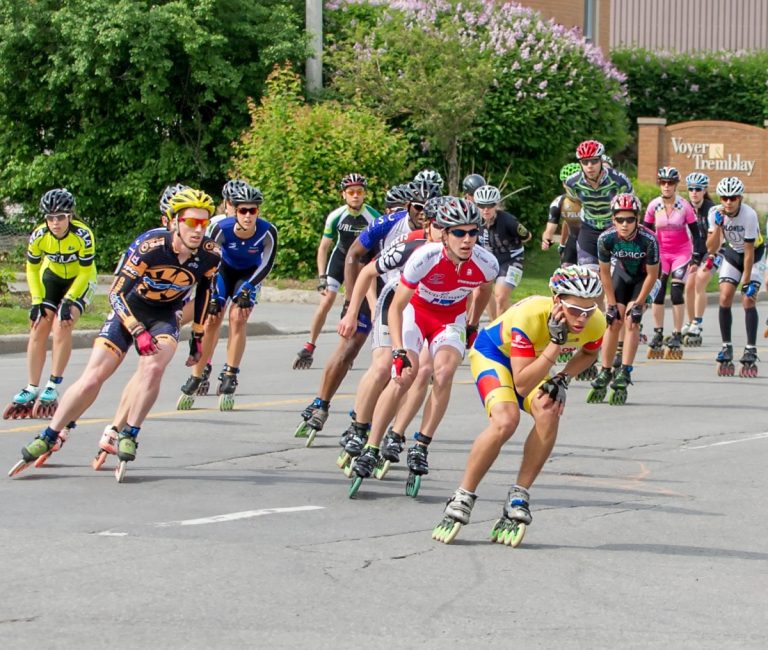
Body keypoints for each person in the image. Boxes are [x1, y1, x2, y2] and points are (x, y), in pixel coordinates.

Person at [9, 188, 221, 480]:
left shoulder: (210, 254)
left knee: (154, 368)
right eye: (190, 222)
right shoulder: (150, 246)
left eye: (204, 223)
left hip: (164, 316)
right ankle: (50, 433)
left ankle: (130, 432)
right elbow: (115, 293)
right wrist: (135, 329)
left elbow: (206, 293)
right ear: (173, 222)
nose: (198, 229)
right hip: (128, 310)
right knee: (93, 378)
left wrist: (197, 337)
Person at [432, 266, 606, 546]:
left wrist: (563, 378)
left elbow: (589, 352)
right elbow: (522, 384)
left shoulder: (596, 322)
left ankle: (519, 494)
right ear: (557, 299)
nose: (582, 319)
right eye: (575, 310)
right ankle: (463, 494)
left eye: (589, 310)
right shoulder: (530, 315)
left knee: (549, 409)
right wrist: (555, 345)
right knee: (506, 421)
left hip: (533, 362)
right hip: (494, 355)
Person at [346, 197, 498, 498]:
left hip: (449, 319)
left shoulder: (486, 262)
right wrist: (400, 350)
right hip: (415, 313)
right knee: (404, 375)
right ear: (444, 234)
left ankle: (421, 445)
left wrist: (471, 323)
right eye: (458, 233)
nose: (467, 240)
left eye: (472, 232)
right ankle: (373, 444)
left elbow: (484, 291)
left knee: (442, 374)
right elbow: (397, 306)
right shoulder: (424, 257)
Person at [294, 179, 441, 441]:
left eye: (428, 208)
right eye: (418, 207)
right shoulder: (387, 223)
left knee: (392, 364)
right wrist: (352, 304)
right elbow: (354, 257)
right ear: (408, 207)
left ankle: (363, 416)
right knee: (349, 347)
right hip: (372, 284)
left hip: (406, 295)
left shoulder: (443, 229)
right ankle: (321, 404)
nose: (423, 214)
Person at [178, 183, 277, 410]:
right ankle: (198, 373)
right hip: (222, 271)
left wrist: (248, 288)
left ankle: (231, 374)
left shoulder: (268, 231)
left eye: (253, 210)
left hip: (249, 274)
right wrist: (211, 292)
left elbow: (266, 264)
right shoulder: (220, 228)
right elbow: (208, 262)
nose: (248, 216)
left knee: (238, 318)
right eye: (243, 210)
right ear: (233, 209)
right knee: (212, 317)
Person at [3, 189, 96, 421]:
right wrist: (36, 301)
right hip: (51, 278)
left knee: (62, 324)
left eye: (61, 217)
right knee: (38, 326)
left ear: (70, 217)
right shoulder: (39, 235)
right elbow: (32, 268)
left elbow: (85, 272)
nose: (55, 223)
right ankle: (32, 386)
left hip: (80, 280)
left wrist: (70, 299)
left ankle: (53, 384)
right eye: (51, 218)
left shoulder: (83, 235)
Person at [293, 173, 380, 370]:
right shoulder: (336, 216)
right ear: (343, 195)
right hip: (340, 259)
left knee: (352, 302)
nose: (355, 196)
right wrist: (322, 276)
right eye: (351, 192)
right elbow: (324, 247)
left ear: (364, 194)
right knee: (327, 300)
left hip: (360, 261)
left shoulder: (373, 216)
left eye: (359, 192)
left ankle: (347, 348)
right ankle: (309, 345)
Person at [588, 194, 659, 405]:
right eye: (620, 220)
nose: (625, 224)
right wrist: (610, 304)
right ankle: (606, 370)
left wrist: (639, 303)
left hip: (644, 279)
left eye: (629, 219)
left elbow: (653, 275)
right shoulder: (606, 239)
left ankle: (625, 370)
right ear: (613, 220)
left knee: (631, 319)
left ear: (637, 219)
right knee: (613, 320)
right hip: (621, 276)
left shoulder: (649, 239)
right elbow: (605, 274)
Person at [642, 167, 702, 360]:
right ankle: (658, 332)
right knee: (658, 291)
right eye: (663, 182)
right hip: (661, 254)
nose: (666, 186)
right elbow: (645, 232)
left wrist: (696, 257)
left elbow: (697, 233)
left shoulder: (685, 206)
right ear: (659, 184)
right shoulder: (653, 206)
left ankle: (676, 333)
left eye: (670, 183)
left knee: (676, 291)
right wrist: (644, 256)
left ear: (676, 185)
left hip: (681, 253)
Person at [706, 176, 762, 377]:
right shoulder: (715, 213)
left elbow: (748, 252)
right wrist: (719, 226)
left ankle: (750, 348)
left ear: (740, 198)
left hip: (754, 255)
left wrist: (746, 282)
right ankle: (726, 345)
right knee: (724, 297)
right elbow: (711, 248)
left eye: (733, 198)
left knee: (748, 299)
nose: (728, 202)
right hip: (731, 253)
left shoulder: (749, 215)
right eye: (724, 198)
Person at [564, 140, 633, 272]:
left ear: (601, 160)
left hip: (614, 230)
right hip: (588, 230)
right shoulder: (572, 183)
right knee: (590, 278)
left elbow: (630, 209)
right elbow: (576, 203)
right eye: (585, 162)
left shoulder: (619, 180)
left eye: (594, 161)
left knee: (614, 277)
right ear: (580, 163)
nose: (590, 166)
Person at [473, 184, 531, 320]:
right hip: (489, 260)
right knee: (480, 291)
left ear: (496, 205)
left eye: (490, 205)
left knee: (501, 296)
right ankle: (496, 324)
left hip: (511, 259)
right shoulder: (474, 221)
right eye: (481, 206)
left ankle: (503, 332)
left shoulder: (508, 221)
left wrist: (510, 244)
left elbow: (527, 236)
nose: (486, 210)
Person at [681, 172, 715, 346]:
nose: (694, 192)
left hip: (714, 250)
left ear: (704, 190)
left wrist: (709, 257)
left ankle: (698, 322)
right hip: (695, 252)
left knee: (700, 279)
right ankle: (691, 321)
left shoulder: (711, 209)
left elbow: (715, 238)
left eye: (698, 189)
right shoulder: (685, 208)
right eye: (691, 189)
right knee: (689, 285)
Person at [542, 163, 583, 266]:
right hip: (573, 240)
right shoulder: (559, 202)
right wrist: (546, 240)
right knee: (565, 274)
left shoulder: (593, 199)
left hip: (593, 241)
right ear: (563, 184)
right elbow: (550, 229)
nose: (572, 185)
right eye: (567, 181)